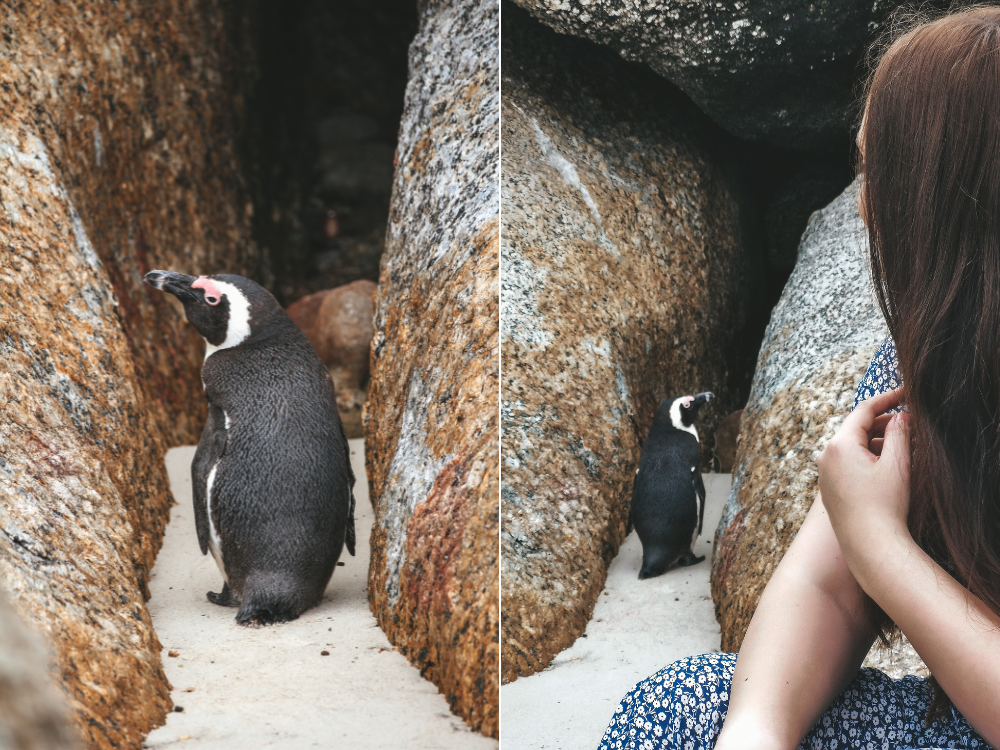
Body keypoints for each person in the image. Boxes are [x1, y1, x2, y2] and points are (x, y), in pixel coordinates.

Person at [598, 7, 1000, 749]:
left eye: (875, 168)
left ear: (942, 197)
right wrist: (755, 734)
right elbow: (825, 589)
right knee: (685, 707)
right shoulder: (914, 368)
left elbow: (866, 556)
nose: (864, 204)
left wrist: (882, 550)